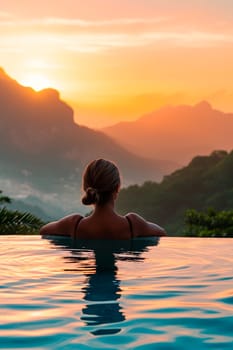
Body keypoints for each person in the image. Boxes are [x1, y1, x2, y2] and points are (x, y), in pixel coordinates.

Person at [40, 159, 167, 239]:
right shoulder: (133, 225)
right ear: (117, 188)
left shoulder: (74, 225)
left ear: (86, 188)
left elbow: (44, 230)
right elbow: (162, 233)